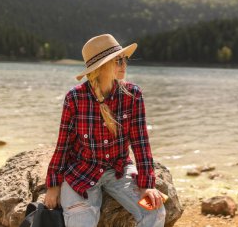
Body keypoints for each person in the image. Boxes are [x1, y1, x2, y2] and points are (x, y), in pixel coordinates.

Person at [44, 34, 166, 227]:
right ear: (101, 67)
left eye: (124, 59)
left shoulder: (133, 95)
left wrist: (146, 185)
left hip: (119, 170)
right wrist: (53, 186)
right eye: (118, 60)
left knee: (156, 212)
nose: (124, 64)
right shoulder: (75, 98)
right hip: (80, 172)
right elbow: (63, 146)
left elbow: (141, 143)